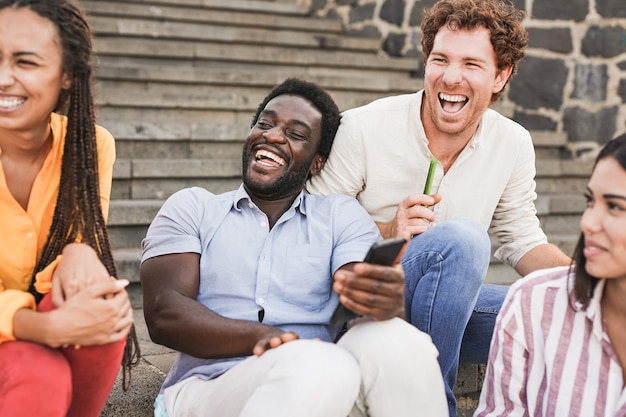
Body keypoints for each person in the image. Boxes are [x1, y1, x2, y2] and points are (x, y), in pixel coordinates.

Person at [305, 0, 572, 414]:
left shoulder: (513, 143)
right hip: (360, 302)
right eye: (440, 59)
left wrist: (594, 287)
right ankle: (436, 404)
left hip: (443, 307)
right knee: (463, 239)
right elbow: (307, 226)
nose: (451, 77)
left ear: (501, 76)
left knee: (558, 311)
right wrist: (388, 229)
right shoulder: (364, 127)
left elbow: (522, 239)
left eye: (471, 64)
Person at [140, 78, 448, 417]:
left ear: (316, 163)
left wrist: (376, 297)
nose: (272, 136)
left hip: (320, 389)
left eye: (295, 133)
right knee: (321, 363)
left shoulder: (339, 216)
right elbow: (164, 314)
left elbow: (356, 284)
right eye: (265, 123)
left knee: (400, 341)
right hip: (209, 387)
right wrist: (267, 338)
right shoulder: (193, 208)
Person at [0, 1, 139, 416]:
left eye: (25, 62)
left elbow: (82, 231)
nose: (4, 78)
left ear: (66, 76)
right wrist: (40, 327)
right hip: (25, 333)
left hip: (42, 305)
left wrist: (81, 249)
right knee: (36, 368)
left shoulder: (89, 144)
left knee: (101, 300)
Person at [474, 133, 626, 416]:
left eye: (615, 206)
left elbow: (523, 238)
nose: (588, 223)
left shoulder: (510, 142)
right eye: (590, 201)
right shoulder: (531, 303)